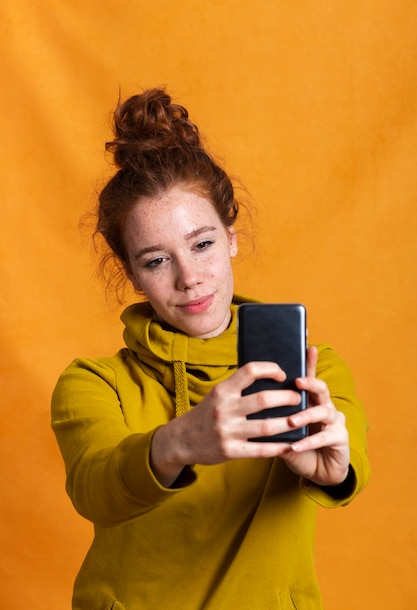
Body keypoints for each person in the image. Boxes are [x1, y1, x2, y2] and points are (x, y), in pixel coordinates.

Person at [51, 87, 370, 610]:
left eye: (202, 244)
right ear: (132, 274)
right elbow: (95, 488)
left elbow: (350, 456)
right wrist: (177, 444)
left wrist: (336, 470)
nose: (189, 279)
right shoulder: (92, 382)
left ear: (232, 237)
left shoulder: (315, 366)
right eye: (156, 260)